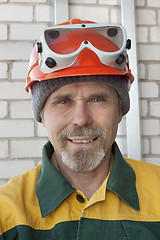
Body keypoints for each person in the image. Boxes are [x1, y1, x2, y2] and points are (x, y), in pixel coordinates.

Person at [0, 18, 160, 240]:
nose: (81, 119)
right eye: (63, 101)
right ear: (42, 116)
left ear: (120, 110)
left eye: (97, 99)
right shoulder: (6, 212)